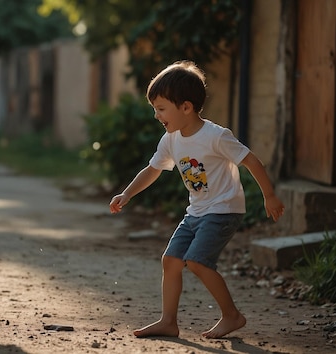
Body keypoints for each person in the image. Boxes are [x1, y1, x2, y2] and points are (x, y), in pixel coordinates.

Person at [109, 60, 285, 339]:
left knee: (198, 262)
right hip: (196, 212)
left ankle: (232, 316)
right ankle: (168, 321)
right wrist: (127, 193)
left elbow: (250, 161)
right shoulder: (171, 139)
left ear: (186, 107)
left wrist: (270, 195)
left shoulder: (215, 136)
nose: (157, 115)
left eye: (161, 108)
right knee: (171, 260)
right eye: (155, 108)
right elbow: (153, 169)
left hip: (223, 210)